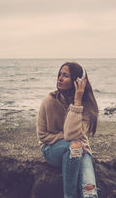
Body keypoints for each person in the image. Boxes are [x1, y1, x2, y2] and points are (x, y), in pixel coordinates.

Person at [37, 62, 99, 198]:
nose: (59, 78)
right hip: (51, 149)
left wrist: (77, 102)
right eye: (59, 74)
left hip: (81, 150)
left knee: (90, 191)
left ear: (78, 81)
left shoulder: (87, 106)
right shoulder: (50, 100)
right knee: (74, 146)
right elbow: (43, 135)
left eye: (65, 75)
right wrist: (64, 138)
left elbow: (71, 134)